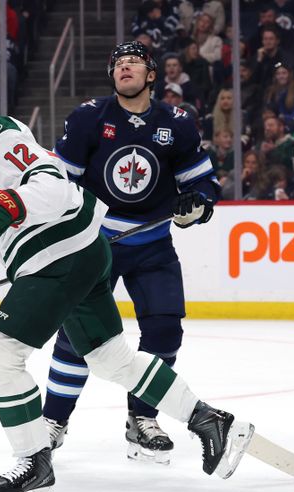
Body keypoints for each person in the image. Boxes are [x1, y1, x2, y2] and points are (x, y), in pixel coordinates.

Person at [0, 66, 252, 492]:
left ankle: (34, 467)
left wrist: (8, 203)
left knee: (0, 354)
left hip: (59, 254)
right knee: (109, 357)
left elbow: (53, 184)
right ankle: (212, 422)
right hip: (73, 253)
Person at [41, 41, 225, 466]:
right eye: (119, 64)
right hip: (93, 246)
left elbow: (203, 185)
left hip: (153, 245)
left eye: (134, 63)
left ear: (152, 75)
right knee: (77, 336)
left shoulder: (177, 123)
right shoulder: (89, 116)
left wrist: (194, 206)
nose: (125, 69)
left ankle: (141, 419)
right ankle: (52, 422)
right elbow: (55, 180)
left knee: (165, 332)